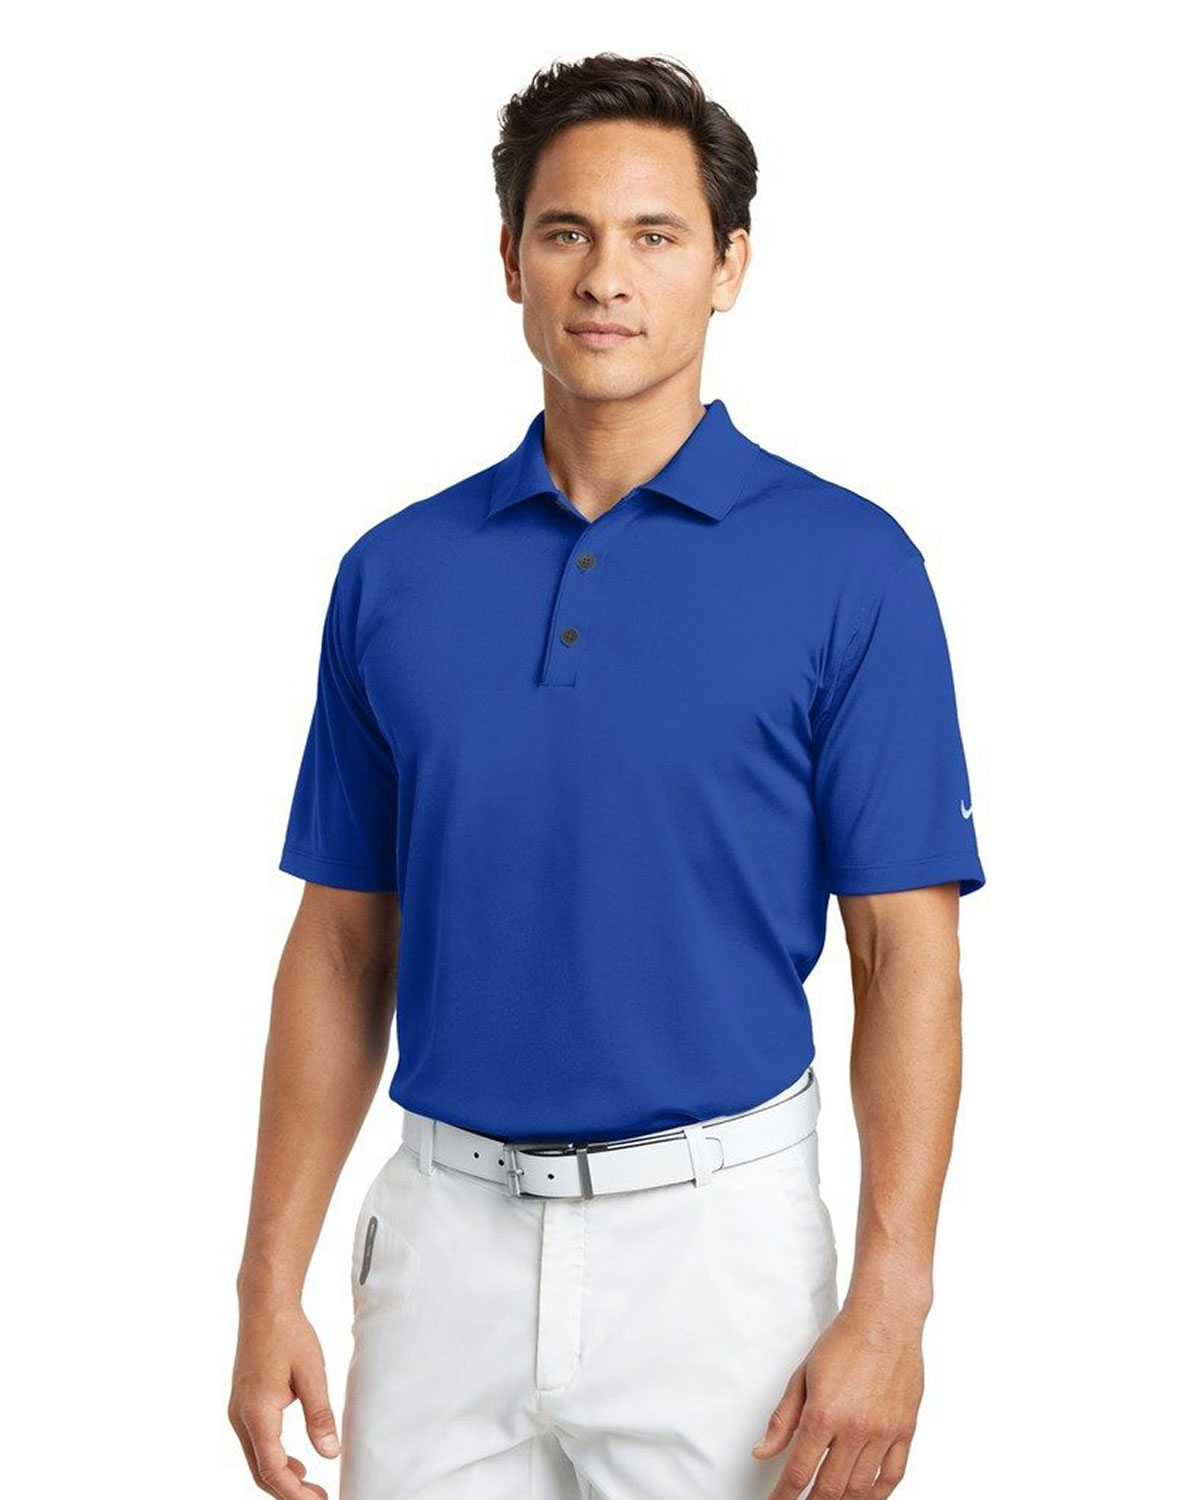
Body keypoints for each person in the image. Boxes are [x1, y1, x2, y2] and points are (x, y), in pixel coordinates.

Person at [229, 51, 985, 1500]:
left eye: (656, 235)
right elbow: (339, 946)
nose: (606, 277)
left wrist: (894, 1300)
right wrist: (269, 1286)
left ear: (730, 266)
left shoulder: (851, 568)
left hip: (720, 1255)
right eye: (566, 231)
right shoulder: (395, 575)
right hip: (442, 1247)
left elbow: (906, 953)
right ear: (509, 258)